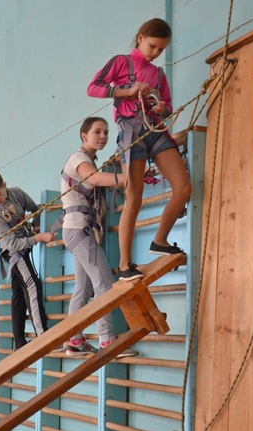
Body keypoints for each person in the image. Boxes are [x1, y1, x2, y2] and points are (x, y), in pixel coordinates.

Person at [87, 18, 192, 281]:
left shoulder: (159, 75)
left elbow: (168, 108)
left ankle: (160, 240)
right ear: (141, 38)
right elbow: (93, 88)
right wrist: (127, 91)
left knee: (183, 187)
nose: (155, 53)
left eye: (161, 49)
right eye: (152, 46)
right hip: (130, 131)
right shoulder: (121, 62)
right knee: (133, 197)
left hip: (156, 131)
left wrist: (162, 108)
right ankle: (124, 265)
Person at [60, 117, 138, 358]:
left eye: (106, 132)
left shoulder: (89, 161)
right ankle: (107, 340)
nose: (103, 136)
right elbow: (94, 179)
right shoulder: (78, 158)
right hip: (78, 231)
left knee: (83, 289)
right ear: (84, 135)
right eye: (97, 132)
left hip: (77, 231)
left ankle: (75, 340)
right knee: (104, 283)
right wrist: (130, 177)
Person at [0, 170, 55, 350]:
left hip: (23, 245)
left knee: (19, 294)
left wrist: (36, 225)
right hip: (14, 252)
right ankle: (42, 335)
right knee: (33, 286)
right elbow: (11, 244)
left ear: (4, 185)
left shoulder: (17, 194)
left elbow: (36, 209)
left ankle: (19, 341)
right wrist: (38, 238)